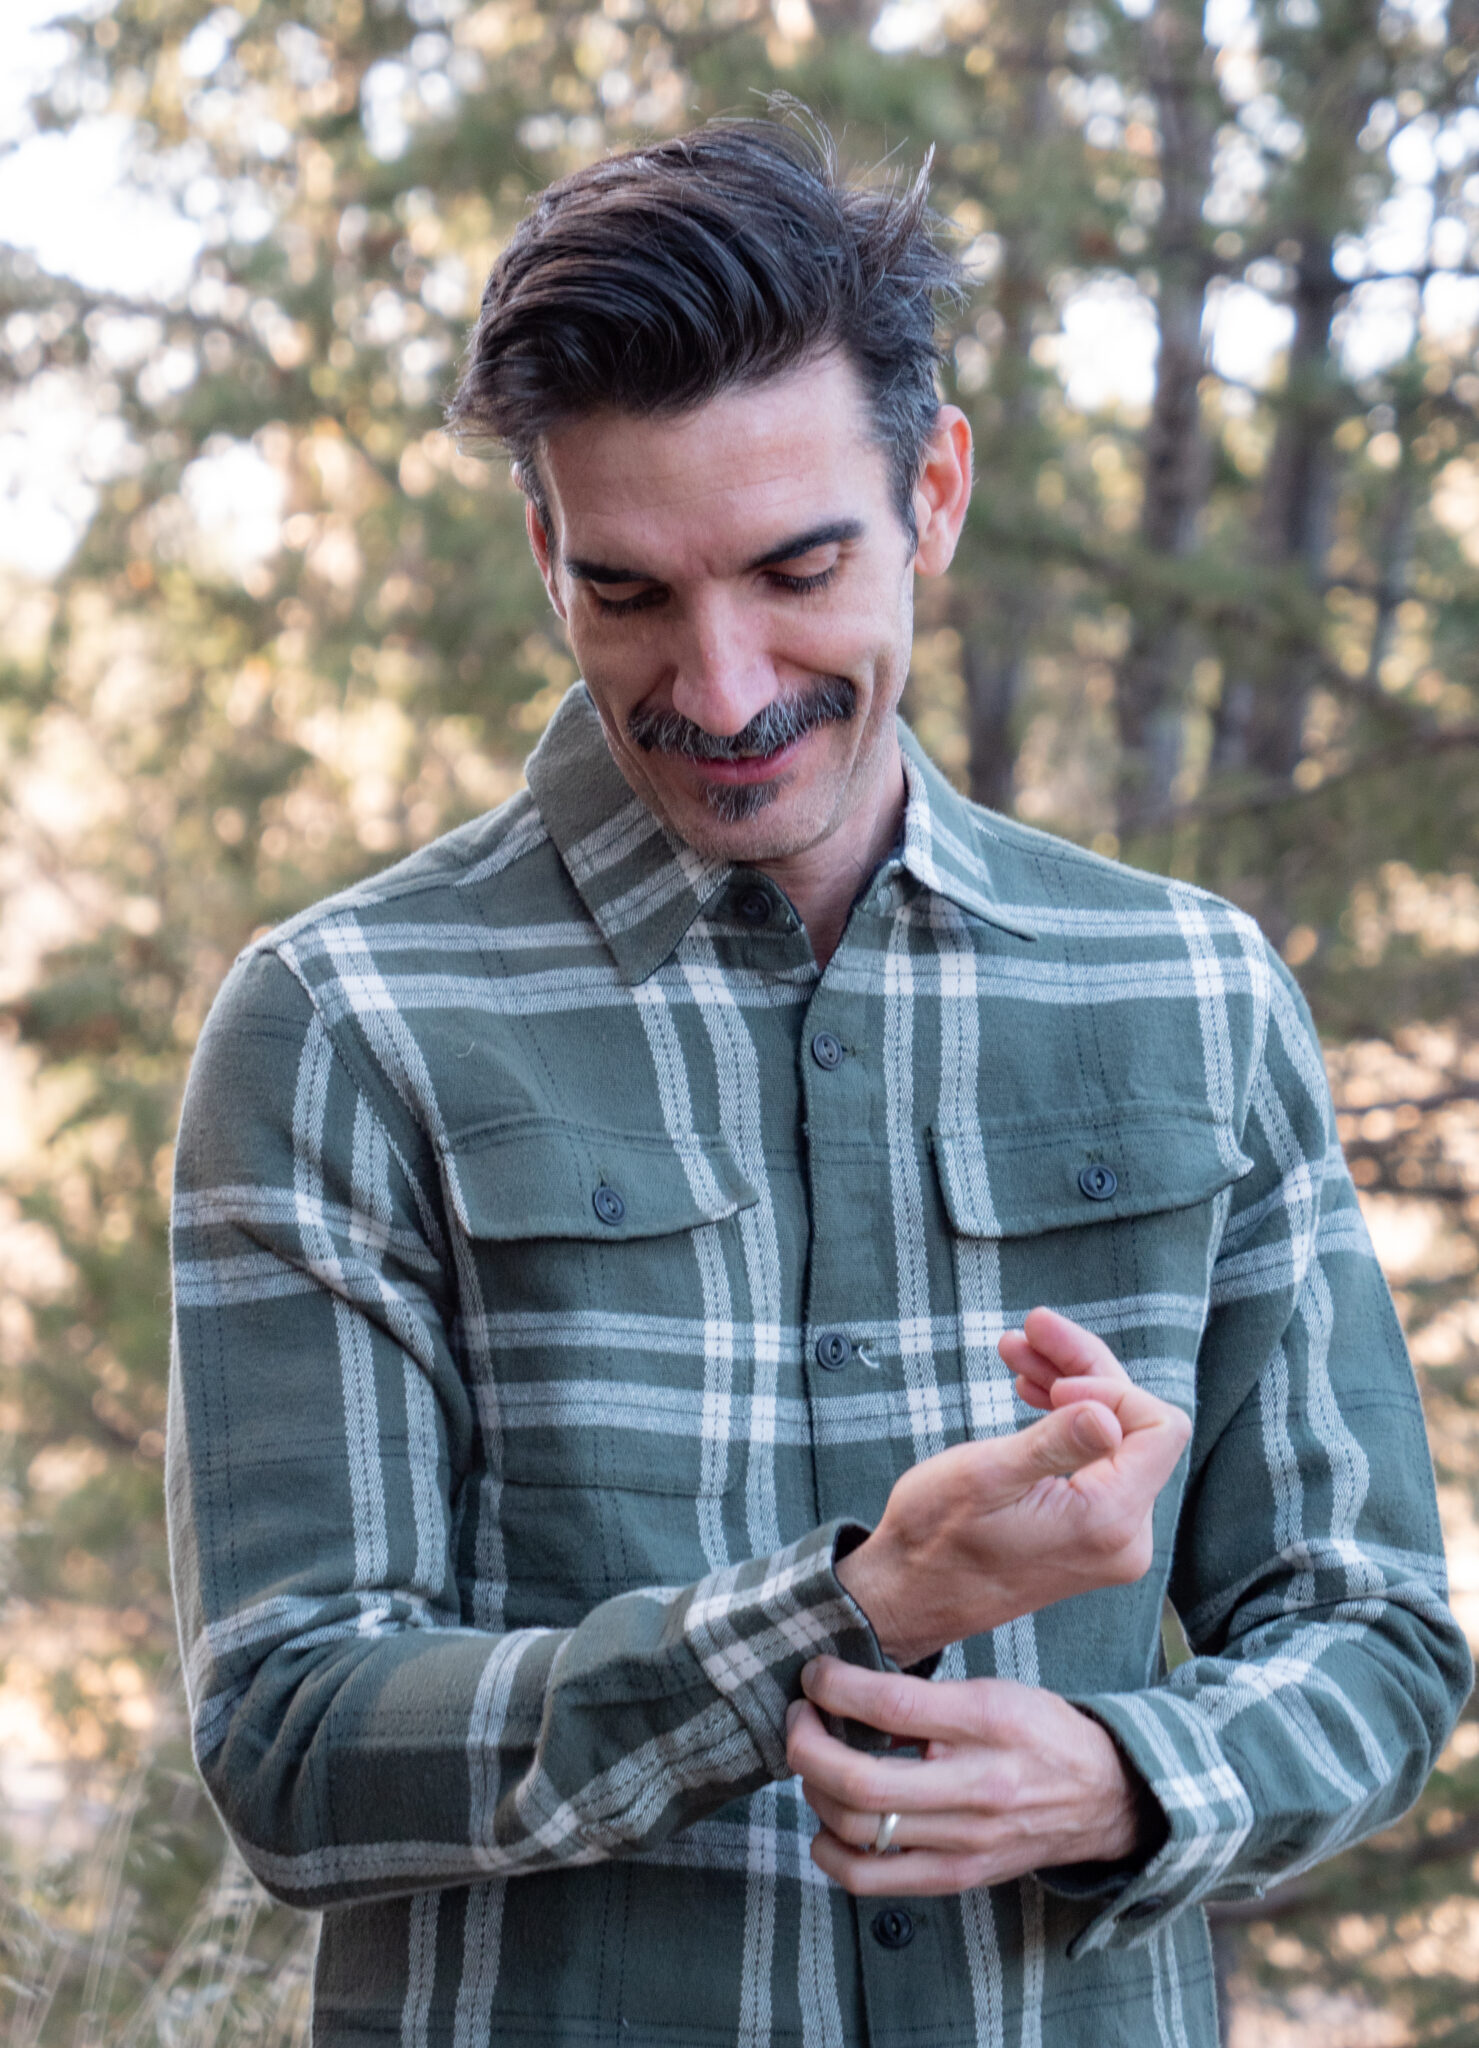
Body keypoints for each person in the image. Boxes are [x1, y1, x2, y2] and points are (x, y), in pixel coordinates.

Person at [166, 118, 1471, 2047]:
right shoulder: (346, 1024)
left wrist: (1124, 1781)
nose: (722, 684)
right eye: (628, 594)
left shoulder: (1192, 989)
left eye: (796, 570)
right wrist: (856, 1606)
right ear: (545, 551)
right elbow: (292, 1742)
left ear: (933, 493)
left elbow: (1376, 1632)